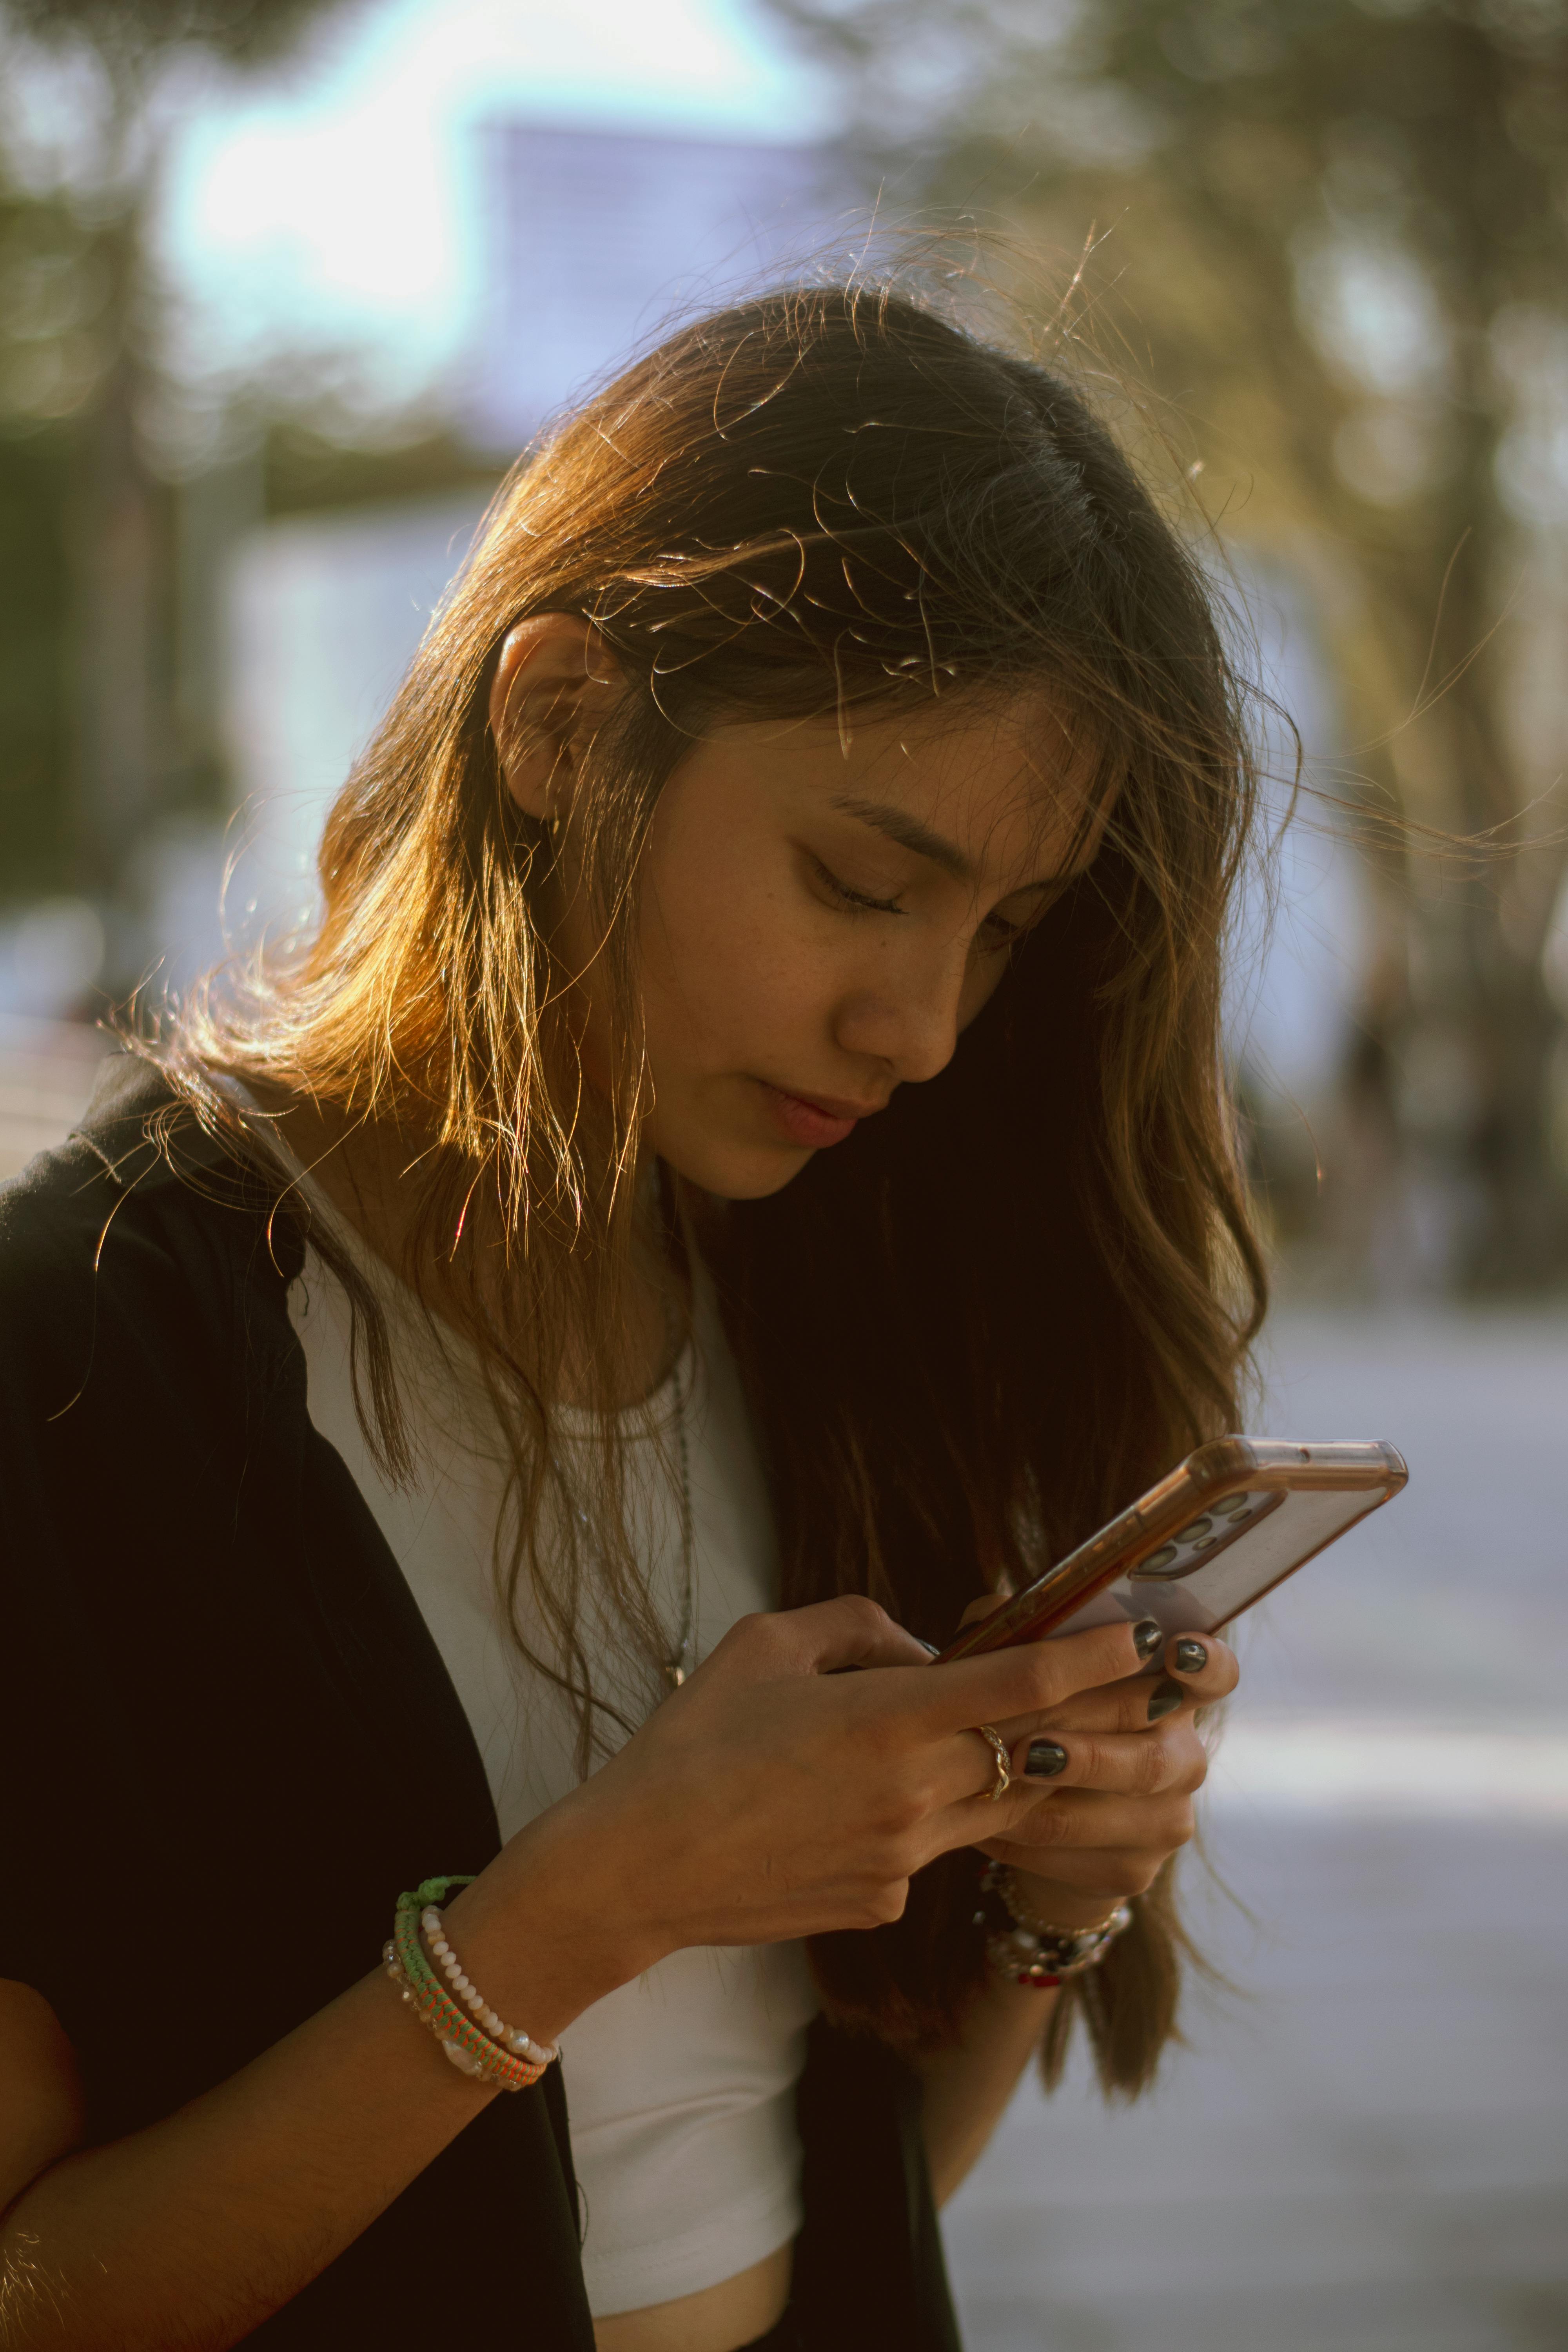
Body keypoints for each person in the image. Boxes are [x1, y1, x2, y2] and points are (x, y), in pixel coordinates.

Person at [0, 281, 1263, 2351]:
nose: (926, 1028)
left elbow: (817, 2199)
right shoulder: (83, 1362)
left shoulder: (829, 1290)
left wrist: (1055, 1897)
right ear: (565, 724)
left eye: (1006, 932)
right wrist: (581, 1910)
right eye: (866, 881)